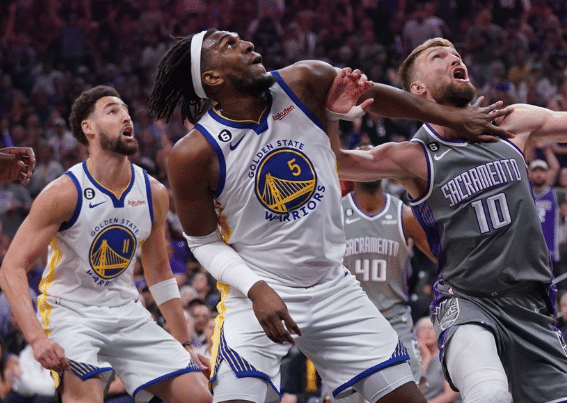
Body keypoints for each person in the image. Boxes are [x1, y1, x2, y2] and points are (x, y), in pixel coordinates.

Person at [146, 30, 510, 403]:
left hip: (334, 287)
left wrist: (454, 116)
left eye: (240, 40)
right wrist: (255, 288)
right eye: (229, 46)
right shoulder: (193, 154)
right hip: (257, 293)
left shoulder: (305, 80)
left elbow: (374, 95)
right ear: (212, 78)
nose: (248, 45)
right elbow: (203, 243)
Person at [329, 37, 567, 402]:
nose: (454, 57)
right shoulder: (414, 155)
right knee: (490, 393)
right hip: (468, 302)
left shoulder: (510, 122)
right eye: (439, 56)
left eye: (456, 53)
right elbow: (336, 161)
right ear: (418, 89)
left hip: (531, 307)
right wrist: (333, 116)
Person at [0, 86, 212, 403]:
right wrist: (36, 338)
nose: (125, 116)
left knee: (199, 397)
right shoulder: (63, 193)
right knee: (86, 398)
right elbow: (12, 267)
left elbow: (158, 270)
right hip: (70, 312)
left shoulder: (153, 192)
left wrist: (186, 343)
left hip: (127, 310)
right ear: (88, 128)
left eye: (125, 109)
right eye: (112, 111)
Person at [341, 145, 436, 385]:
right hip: (348, 322)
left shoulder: (404, 215)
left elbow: (443, 257)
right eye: (360, 159)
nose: (366, 163)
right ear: (350, 169)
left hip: (395, 322)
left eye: (371, 158)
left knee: (413, 390)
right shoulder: (335, 213)